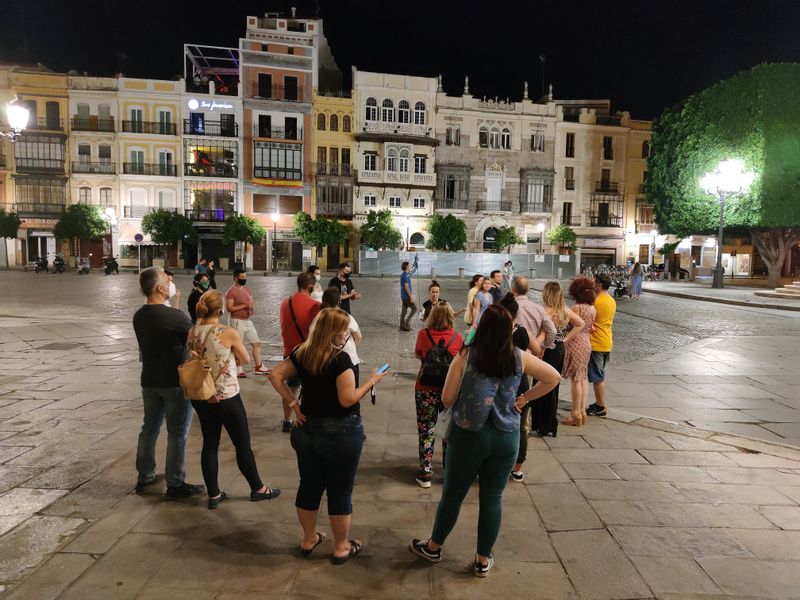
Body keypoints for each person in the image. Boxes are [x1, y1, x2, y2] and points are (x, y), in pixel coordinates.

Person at [410, 304, 560, 577]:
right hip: (506, 438)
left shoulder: (465, 356)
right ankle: (482, 559)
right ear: (508, 330)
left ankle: (433, 547)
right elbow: (553, 377)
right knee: (493, 498)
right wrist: (524, 399)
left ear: (481, 327)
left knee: (453, 496)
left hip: (468, 436)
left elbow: (445, 399)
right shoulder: (518, 357)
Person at [268, 308, 389, 564]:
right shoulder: (340, 360)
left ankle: (309, 539)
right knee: (340, 492)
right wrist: (372, 381)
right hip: (341, 432)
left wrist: (294, 406)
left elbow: (274, 375)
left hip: (308, 430)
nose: (347, 333)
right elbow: (347, 400)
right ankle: (342, 547)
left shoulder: (302, 352)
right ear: (333, 331)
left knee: (309, 486)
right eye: (344, 329)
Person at [188, 290, 281, 509]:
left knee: (210, 444)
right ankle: (258, 488)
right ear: (220, 310)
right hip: (226, 396)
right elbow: (245, 359)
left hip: (202, 395)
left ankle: (213, 494)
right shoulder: (226, 332)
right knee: (242, 444)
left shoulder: (192, 331)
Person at [132, 267, 204, 499]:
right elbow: (195, 338)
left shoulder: (139, 315)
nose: (170, 283)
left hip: (149, 380)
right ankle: (175, 482)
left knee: (149, 428)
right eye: (167, 280)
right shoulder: (176, 317)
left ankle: (145, 476)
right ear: (161, 288)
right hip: (174, 382)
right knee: (177, 432)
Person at [413, 301, 463, 488]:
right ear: (451, 317)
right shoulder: (457, 338)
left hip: (425, 389)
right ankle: (449, 471)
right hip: (449, 390)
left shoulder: (422, 335)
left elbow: (419, 354)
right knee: (448, 430)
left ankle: (425, 472)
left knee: (426, 429)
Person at [497, 293, 543, 483]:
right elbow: (538, 350)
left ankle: (497, 464)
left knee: (497, 425)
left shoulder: (494, 333)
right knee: (521, 427)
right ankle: (517, 468)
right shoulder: (522, 332)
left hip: (499, 385)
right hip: (520, 385)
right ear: (516, 315)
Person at [536, 282, 585, 437]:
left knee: (542, 385)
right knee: (553, 386)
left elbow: (542, 332)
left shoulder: (545, 310)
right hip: (559, 349)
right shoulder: (564, 310)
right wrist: (565, 339)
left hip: (547, 349)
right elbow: (581, 324)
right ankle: (551, 424)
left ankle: (542, 424)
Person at [278, 273, 322, 431]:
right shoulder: (315, 305)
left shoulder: (285, 302)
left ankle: (287, 420)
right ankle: (308, 419)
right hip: (307, 354)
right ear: (310, 287)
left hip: (289, 352)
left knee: (291, 388)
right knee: (311, 389)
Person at [561, 277, 596, 426]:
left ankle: (575, 414)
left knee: (576, 379)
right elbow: (591, 327)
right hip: (587, 343)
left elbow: (568, 325)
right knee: (583, 378)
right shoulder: (593, 308)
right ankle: (582, 412)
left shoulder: (577, 308)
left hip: (576, 342)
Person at [225, 269, 268, 377]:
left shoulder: (247, 290)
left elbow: (251, 302)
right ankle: (238, 368)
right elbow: (230, 308)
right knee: (238, 345)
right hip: (237, 321)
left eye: (245, 277)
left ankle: (258, 366)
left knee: (256, 343)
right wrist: (244, 305)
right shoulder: (231, 292)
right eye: (242, 277)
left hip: (247, 321)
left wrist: (251, 308)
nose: (244, 279)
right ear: (236, 278)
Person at [586, 274, 617, 417]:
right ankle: (599, 403)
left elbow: (588, 321)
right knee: (600, 374)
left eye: (594, 282)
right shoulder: (611, 300)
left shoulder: (596, 301)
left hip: (596, 342)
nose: (593, 284)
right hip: (607, 341)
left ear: (599, 285)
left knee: (597, 377)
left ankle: (600, 405)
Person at [320, 288, 362, 384]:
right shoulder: (346, 317)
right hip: (349, 359)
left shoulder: (319, 317)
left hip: (325, 360)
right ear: (338, 302)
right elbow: (358, 336)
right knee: (351, 392)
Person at [511, 276, 557, 357]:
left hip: (512, 352)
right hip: (532, 353)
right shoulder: (539, 309)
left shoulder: (508, 308)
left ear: (513, 290)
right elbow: (552, 331)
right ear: (528, 290)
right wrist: (541, 346)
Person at [399, 260, 417, 331]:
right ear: (406, 266)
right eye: (409, 265)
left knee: (404, 311)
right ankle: (407, 322)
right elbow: (406, 287)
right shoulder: (406, 275)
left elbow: (412, 271)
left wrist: (415, 264)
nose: (410, 267)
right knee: (414, 309)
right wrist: (411, 297)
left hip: (403, 296)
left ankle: (402, 326)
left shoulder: (404, 274)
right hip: (406, 296)